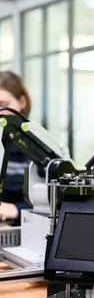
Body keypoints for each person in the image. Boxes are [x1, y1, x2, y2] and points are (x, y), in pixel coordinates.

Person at [0, 71, 33, 226]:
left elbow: (54, 200)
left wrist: (16, 209)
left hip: (21, 229)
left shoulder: (37, 144)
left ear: (22, 102)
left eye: (3, 105)